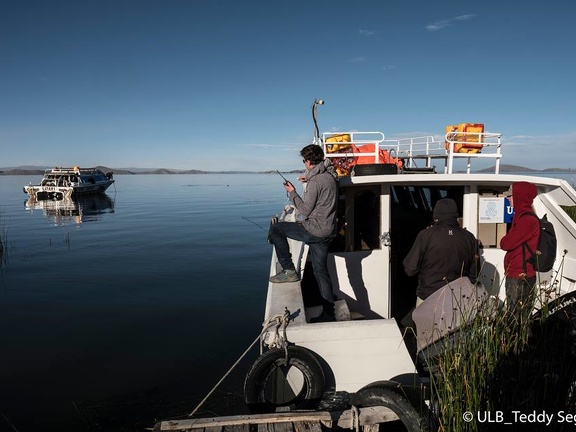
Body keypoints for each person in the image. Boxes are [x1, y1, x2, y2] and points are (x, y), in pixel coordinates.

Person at [268, 144, 339, 323]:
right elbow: (323, 172)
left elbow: (305, 210)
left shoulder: (316, 182)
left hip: (314, 230)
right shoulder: (330, 176)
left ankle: (289, 270)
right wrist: (307, 179)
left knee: (276, 229)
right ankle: (329, 314)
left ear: (307, 161)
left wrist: (292, 193)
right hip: (328, 231)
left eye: (304, 161)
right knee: (321, 272)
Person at [403, 198, 480, 305]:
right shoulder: (469, 237)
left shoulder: (426, 235)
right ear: (456, 216)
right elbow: (475, 273)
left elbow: (410, 269)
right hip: (458, 298)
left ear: (436, 216)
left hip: (428, 296)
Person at [499, 181, 540, 314]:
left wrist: (505, 239)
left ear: (520, 198)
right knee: (518, 315)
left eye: (511, 196)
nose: (508, 198)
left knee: (515, 317)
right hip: (519, 273)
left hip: (520, 275)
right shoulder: (521, 217)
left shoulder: (526, 220)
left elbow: (505, 244)